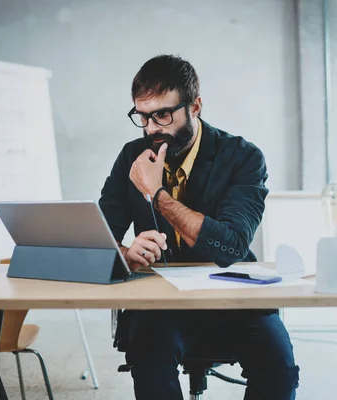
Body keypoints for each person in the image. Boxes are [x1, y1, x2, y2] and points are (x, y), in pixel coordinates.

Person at [99, 54, 299, 400]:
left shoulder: (243, 157)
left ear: (196, 106)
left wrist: (156, 194)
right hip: (160, 301)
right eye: (142, 116)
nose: (151, 129)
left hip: (234, 295)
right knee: (150, 360)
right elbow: (98, 240)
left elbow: (231, 246)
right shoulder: (131, 157)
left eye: (163, 114)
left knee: (278, 366)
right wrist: (126, 254)